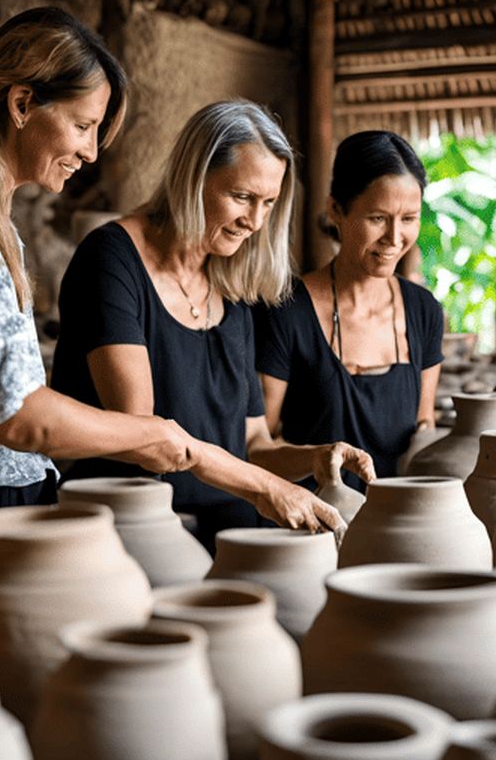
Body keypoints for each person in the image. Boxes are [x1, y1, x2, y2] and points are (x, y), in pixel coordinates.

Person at [0, 9, 343, 633]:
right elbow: (17, 416)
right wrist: (156, 439)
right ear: (22, 103)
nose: (91, 151)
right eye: (82, 125)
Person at [51, 100, 374, 550]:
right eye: (241, 197)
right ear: (193, 177)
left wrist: (312, 457)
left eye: (269, 203)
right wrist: (263, 488)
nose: (255, 221)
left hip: (229, 534)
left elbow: (253, 441)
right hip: (134, 534)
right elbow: (142, 435)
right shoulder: (111, 260)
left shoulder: (228, 281)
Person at [255, 130, 444, 491]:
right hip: (308, 527)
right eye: (377, 218)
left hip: (397, 524)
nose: (394, 237)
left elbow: (424, 427)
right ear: (336, 210)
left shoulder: (424, 312)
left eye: (408, 219)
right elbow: (258, 446)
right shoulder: (286, 311)